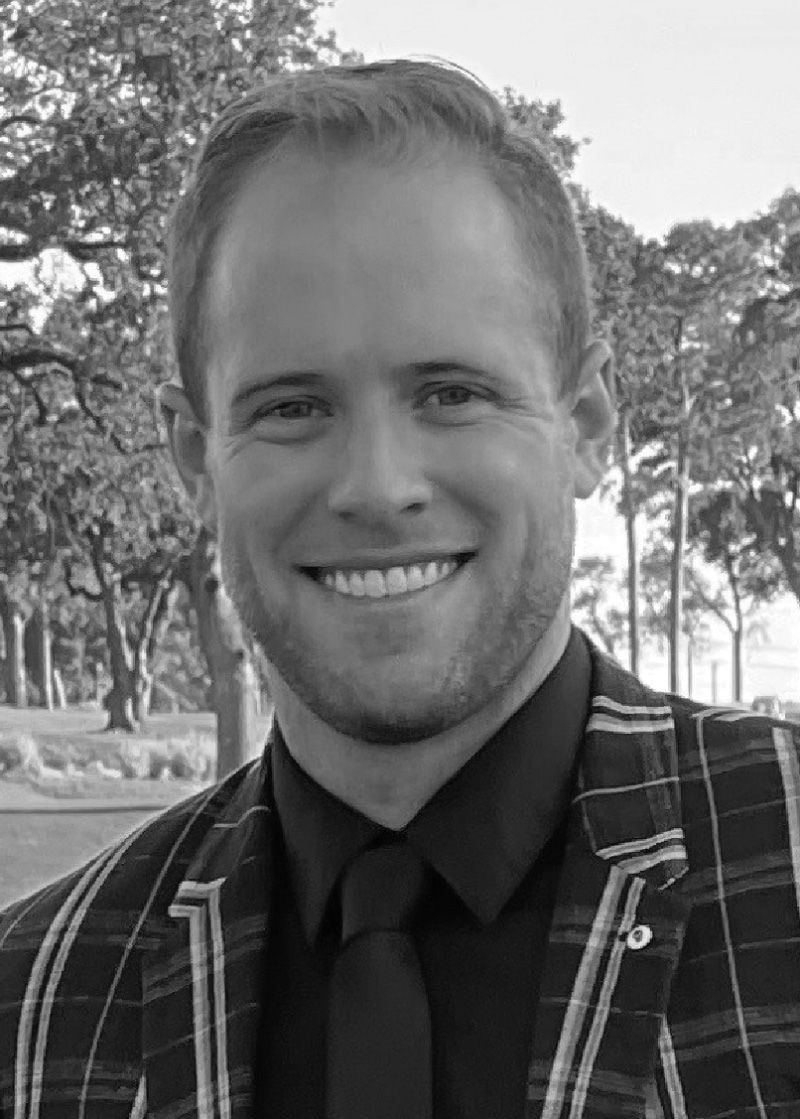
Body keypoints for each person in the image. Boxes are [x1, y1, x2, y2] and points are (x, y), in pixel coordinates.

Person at [1, 58, 799, 1119]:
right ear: (195, 458)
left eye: (451, 392)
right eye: (291, 408)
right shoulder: (37, 1010)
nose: (375, 488)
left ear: (588, 425)